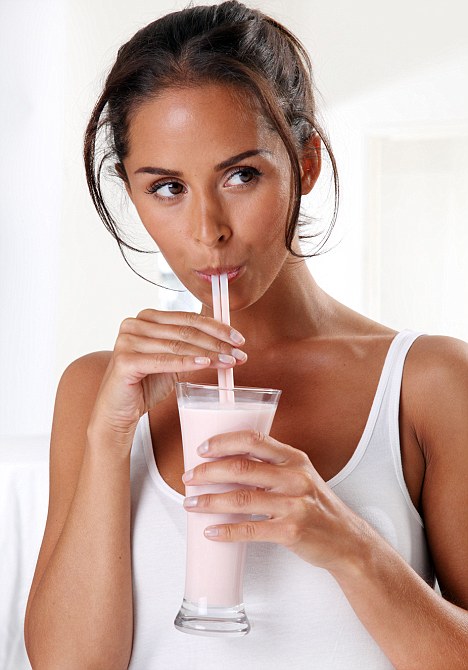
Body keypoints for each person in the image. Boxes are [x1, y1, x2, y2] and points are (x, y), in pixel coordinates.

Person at [24, 2, 468, 668]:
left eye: (241, 176)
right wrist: (109, 435)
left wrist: (351, 545)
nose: (208, 230)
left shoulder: (428, 382)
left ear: (307, 162)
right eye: (168, 187)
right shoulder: (96, 389)